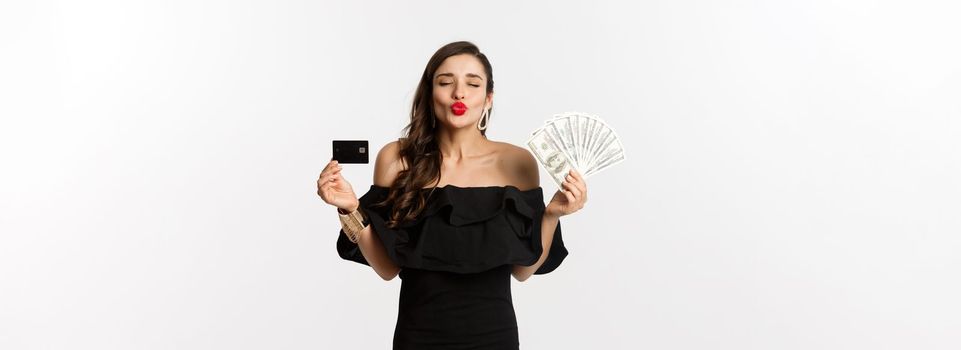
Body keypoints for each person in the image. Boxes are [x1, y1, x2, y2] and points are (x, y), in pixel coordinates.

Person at [317, 41, 588, 350]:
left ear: (488, 99)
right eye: (446, 82)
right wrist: (350, 208)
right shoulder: (396, 159)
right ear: (430, 94)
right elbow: (387, 268)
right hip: (418, 337)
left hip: (494, 337)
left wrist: (551, 214)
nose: (459, 93)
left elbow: (523, 271)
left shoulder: (518, 163)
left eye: (472, 84)